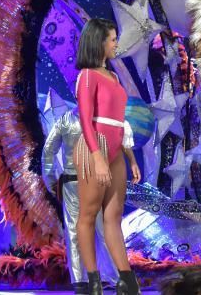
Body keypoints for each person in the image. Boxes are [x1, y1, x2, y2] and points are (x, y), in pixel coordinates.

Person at [73, 18, 141, 295]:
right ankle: (93, 281)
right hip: (95, 147)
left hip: (115, 150)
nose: (116, 44)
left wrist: (132, 158)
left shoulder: (112, 76)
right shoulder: (87, 76)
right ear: (99, 42)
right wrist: (97, 157)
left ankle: (127, 279)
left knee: (113, 215)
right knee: (89, 214)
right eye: (112, 39)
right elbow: (86, 121)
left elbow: (120, 123)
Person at [42, 108, 134, 293]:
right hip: (95, 181)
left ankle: (81, 282)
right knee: (105, 229)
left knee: (76, 232)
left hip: (75, 182)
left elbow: (48, 153)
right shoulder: (107, 118)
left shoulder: (66, 119)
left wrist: (51, 182)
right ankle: (117, 277)